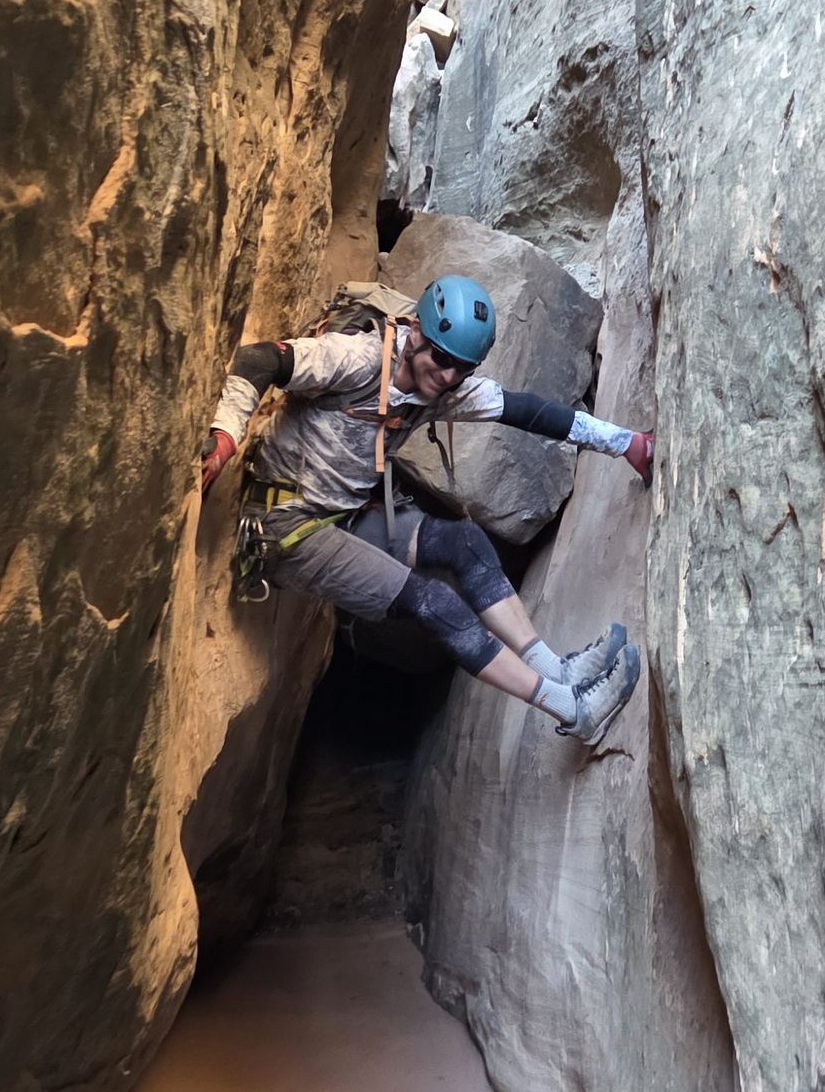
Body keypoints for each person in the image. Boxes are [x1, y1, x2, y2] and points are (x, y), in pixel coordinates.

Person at [201, 274, 654, 747]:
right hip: (286, 524)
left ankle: (556, 671)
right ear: (415, 331)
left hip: (346, 513)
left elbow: (530, 412)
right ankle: (574, 711)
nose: (447, 376)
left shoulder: (446, 388)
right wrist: (225, 435)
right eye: (441, 359)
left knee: (466, 543)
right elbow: (262, 360)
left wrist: (626, 443)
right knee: (434, 602)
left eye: (462, 368)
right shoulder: (357, 359)